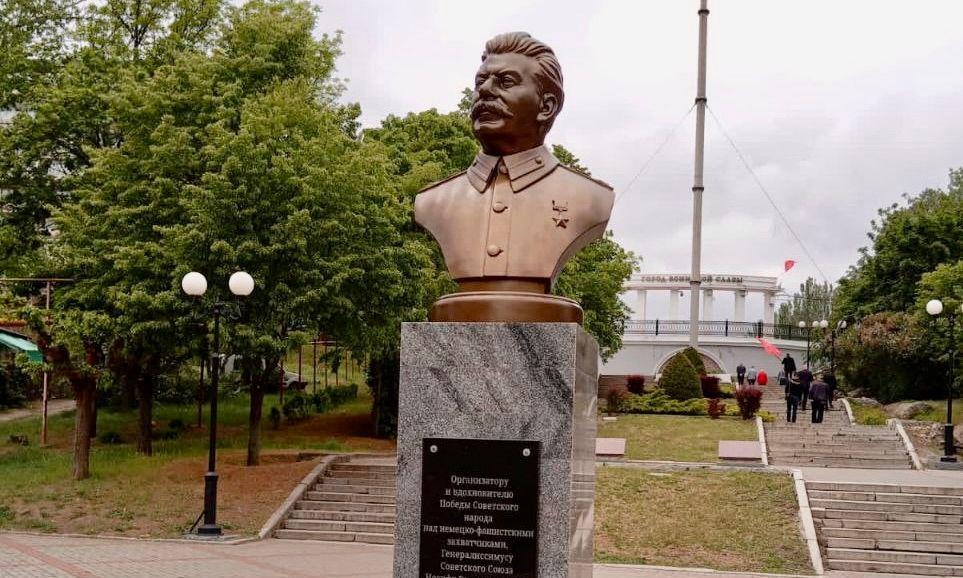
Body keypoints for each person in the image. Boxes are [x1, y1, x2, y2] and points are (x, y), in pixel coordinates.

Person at [415, 32, 615, 322]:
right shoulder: (432, 201)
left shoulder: (592, 200)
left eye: (505, 82)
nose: (485, 90)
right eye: (480, 82)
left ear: (546, 106)